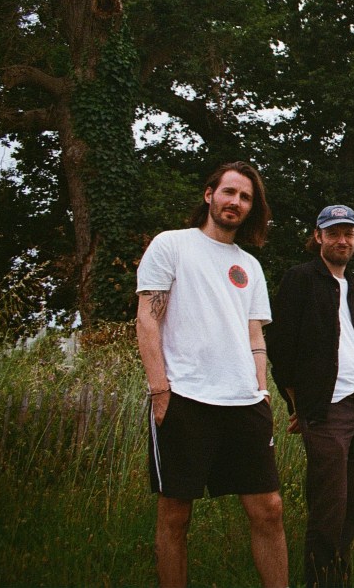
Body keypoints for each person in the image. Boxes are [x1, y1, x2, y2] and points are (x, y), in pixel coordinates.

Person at [136, 161, 288, 588]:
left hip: (243, 402)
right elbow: (147, 319)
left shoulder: (249, 266)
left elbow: (255, 334)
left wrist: (262, 390)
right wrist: (159, 390)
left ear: (251, 208)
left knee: (269, 509)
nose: (235, 202)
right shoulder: (172, 245)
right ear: (209, 195)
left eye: (245, 197)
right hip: (184, 399)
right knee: (175, 515)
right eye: (229, 192)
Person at [267, 204, 354, 588]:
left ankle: (338, 577)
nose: (342, 240)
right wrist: (299, 403)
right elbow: (280, 347)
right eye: (334, 233)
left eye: (348, 234)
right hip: (327, 410)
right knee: (329, 508)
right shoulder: (300, 278)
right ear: (318, 237)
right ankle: (319, 581)